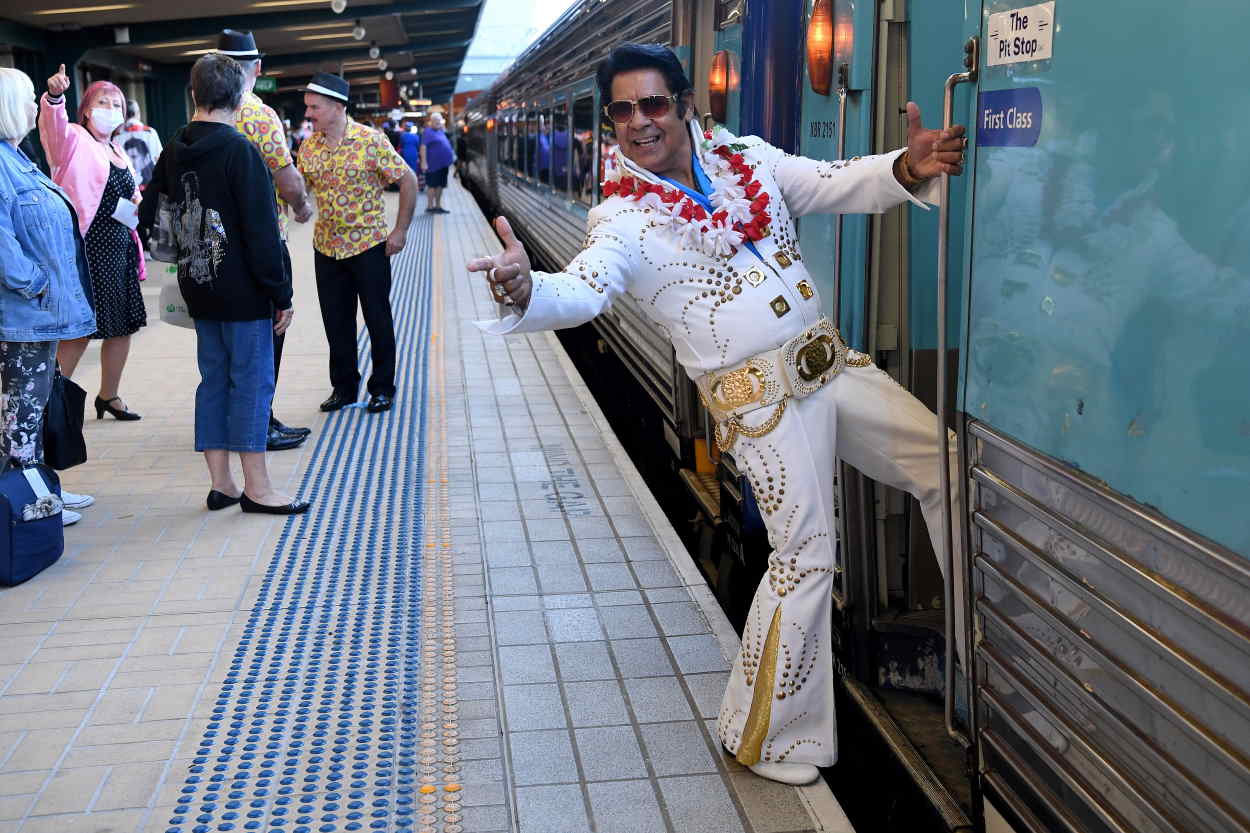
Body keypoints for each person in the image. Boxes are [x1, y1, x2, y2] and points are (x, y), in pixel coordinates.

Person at [468, 43, 968, 786]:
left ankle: (974, 650)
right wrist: (524, 288)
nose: (640, 122)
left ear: (685, 105)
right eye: (624, 111)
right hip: (761, 407)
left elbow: (832, 181)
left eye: (655, 104)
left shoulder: (749, 159)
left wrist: (906, 165)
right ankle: (765, 736)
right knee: (806, 556)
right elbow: (584, 288)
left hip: (827, 364)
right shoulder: (623, 220)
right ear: (612, 122)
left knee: (944, 464)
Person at [138, 54, 309, 516]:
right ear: (238, 97)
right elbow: (261, 233)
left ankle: (222, 484)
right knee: (252, 383)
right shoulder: (240, 150)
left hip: (198, 286)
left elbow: (148, 212)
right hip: (244, 292)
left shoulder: (175, 146)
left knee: (213, 380)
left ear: (194, 94)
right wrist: (282, 294)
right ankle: (259, 488)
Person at [0, 68, 97, 526]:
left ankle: (41, 488)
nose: (30, 110)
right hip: (22, 313)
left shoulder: (16, 156)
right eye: (25, 102)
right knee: (19, 414)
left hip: (38, 314)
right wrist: (34, 280)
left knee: (33, 408)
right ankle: (30, 504)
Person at [218, 28, 315, 452]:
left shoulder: (202, 115)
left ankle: (230, 420)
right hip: (260, 243)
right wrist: (302, 207)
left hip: (215, 247)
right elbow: (286, 175)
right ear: (257, 68)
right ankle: (261, 422)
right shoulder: (258, 113)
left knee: (223, 345)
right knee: (268, 334)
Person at [297, 72, 417, 414]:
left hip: (368, 247)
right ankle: (344, 387)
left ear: (336, 107)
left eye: (314, 107)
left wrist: (400, 231)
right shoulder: (309, 147)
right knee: (336, 321)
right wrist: (299, 206)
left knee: (378, 318)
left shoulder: (371, 141)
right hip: (326, 248)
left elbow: (407, 181)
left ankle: (382, 387)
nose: (308, 114)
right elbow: (299, 190)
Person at [39, 66, 146, 421]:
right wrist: (55, 99)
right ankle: (46, 404)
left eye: (117, 103)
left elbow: (126, 194)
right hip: (87, 251)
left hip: (119, 250)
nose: (112, 108)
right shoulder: (71, 138)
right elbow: (52, 132)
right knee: (79, 332)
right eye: (103, 101)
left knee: (122, 327)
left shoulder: (116, 148)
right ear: (86, 109)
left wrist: (136, 201)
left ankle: (109, 396)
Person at [116, 99, 162, 189]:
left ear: (124, 115)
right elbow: (160, 159)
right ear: (138, 113)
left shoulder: (116, 136)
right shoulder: (150, 133)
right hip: (151, 186)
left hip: (127, 188)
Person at [418, 112, 453, 214]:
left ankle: (438, 206)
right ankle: (430, 207)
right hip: (433, 165)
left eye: (439, 120)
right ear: (431, 121)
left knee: (440, 185)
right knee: (432, 186)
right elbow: (423, 147)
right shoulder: (428, 132)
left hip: (443, 165)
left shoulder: (441, 131)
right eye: (436, 121)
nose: (438, 122)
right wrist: (423, 163)